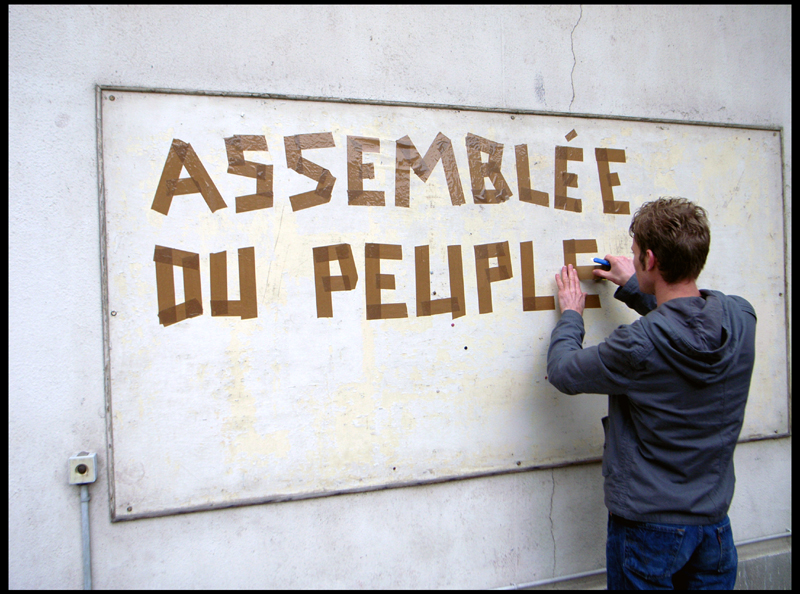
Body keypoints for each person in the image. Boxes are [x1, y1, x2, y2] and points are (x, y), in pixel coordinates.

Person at [547, 197, 757, 590]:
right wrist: (636, 287)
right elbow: (688, 324)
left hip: (648, 530)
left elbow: (563, 372)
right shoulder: (741, 316)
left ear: (649, 259)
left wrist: (572, 315)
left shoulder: (637, 346)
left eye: (634, 255)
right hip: (714, 526)